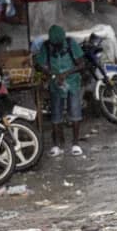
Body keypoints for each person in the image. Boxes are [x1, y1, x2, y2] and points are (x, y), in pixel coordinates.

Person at [35, 24, 85, 157]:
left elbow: (81, 64)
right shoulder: (46, 46)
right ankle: (56, 144)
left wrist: (66, 74)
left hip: (72, 82)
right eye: (54, 45)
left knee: (75, 112)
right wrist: (52, 74)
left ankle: (75, 143)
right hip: (55, 84)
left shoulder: (70, 43)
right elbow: (38, 64)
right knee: (56, 114)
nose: (56, 47)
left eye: (58, 45)